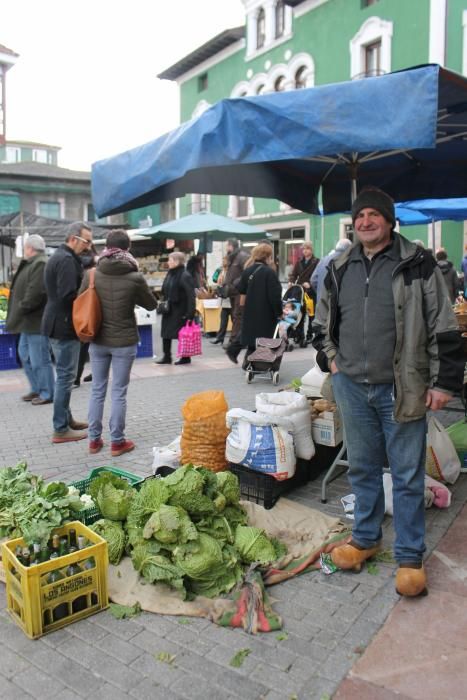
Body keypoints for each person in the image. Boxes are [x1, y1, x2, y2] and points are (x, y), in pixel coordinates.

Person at [313, 187, 463, 598]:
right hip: (351, 388)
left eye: (373, 214)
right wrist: (331, 360)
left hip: (404, 387)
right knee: (360, 468)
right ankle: (365, 538)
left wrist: (444, 383)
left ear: (389, 220)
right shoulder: (340, 265)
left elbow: (444, 324)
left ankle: (410, 557)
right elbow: (322, 317)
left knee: (408, 475)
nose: (365, 221)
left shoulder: (417, 263)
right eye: (359, 215)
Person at [79, 229, 157, 456]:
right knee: (119, 392)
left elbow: (81, 300)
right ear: (127, 249)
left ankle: (94, 441)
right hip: (124, 341)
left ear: (106, 248)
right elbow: (151, 305)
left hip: (98, 339)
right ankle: (117, 442)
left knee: (97, 389)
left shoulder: (92, 274)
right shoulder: (135, 277)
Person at [42, 222, 93, 443]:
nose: (89, 246)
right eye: (87, 241)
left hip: (57, 323)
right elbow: (67, 296)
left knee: (65, 376)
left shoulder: (61, 257)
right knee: (65, 377)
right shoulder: (65, 260)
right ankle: (61, 428)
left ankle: (66, 420)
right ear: (74, 238)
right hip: (63, 326)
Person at [5, 234, 55, 405]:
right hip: (27, 322)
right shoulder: (33, 262)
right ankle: (37, 388)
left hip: (36, 321)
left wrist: (22, 306)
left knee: (39, 359)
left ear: (30, 248)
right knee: (25, 355)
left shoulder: (40, 263)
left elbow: (36, 292)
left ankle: (47, 393)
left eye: (25, 247)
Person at [226, 242, 283, 365]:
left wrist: (242, 308)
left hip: (250, 309)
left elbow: (241, 289)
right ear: (267, 256)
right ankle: (267, 363)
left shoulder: (248, 271)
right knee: (267, 338)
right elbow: (275, 296)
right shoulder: (269, 273)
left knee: (253, 337)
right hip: (266, 312)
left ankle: (247, 362)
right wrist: (279, 312)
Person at [155, 251, 196, 365]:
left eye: (170, 260)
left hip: (180, 310)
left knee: (182, 334)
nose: (168, 262)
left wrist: (190, 314)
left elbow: (191, 296)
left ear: (177, 262)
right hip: (169, 309)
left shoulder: (185, 275)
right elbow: (164, 290)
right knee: (165, 333)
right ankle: (167, 356)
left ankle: (185, 357)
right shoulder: (170, 273)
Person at [73, 244, 98, 388]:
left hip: (88, 305)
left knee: (87, 343)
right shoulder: (84, 261)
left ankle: (78, 376)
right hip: (89, 305)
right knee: (88, 343)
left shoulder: (88, 269)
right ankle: (79, 375)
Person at [223, 238, 249, 358]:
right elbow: (230, 273)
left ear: (231, 246)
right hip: (232, 292)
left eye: (227, 246)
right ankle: (240, 339)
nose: (226, 248)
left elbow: (247, 271)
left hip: (240, 291)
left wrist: (237, 282)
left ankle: (234, 341)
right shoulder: (232, 257)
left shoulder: (242, 256)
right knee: (235, 315)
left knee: (238, 315)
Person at [288, 242, 320, 341]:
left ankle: (310, 335)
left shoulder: (317, 261)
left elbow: (319, 275)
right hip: (300, 291)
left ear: (311, 250)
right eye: (304, 249)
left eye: (307, 248)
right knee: (300, 313)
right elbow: (293, 275)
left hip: (311, 291)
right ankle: (299, 334)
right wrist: (291, 282)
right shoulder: (299, 262)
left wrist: (310, 283)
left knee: (311, 314)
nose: (305, 251)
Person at [310, 238, 352, 303]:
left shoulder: (323, 260)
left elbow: (313, 280)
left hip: (321, 304)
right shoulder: (348, 260)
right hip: (338, 305)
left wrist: (320, 292)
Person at [210, 256, 232, 346]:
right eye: (222, 260)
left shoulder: (232, 271)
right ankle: (220, 338)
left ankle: (237, 339)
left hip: (231, 299)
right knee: (223, 320)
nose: (223, 262)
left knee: (235, 321)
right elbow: (214, 279)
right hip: (224, 299)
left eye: (225, 260)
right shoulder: (220, 270)